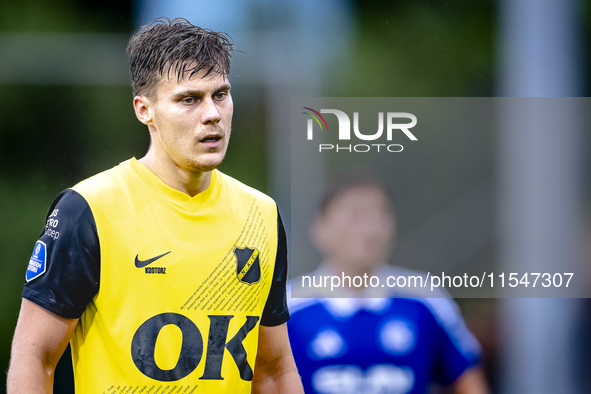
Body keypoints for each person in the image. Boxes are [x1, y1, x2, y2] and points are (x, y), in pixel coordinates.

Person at [7, 18, 303, 394]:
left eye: (221, 94)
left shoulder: (259, 214)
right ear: (144, 109)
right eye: (189, 99)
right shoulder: (89, 209)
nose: (212, 113)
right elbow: (36, 356)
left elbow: (274, 370)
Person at [287, 177, 489, 394]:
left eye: (380, 213)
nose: (370, 227)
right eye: (355, 215)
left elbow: (467, 379)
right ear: (320, 229)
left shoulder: (424, 298)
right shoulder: (287, 305)